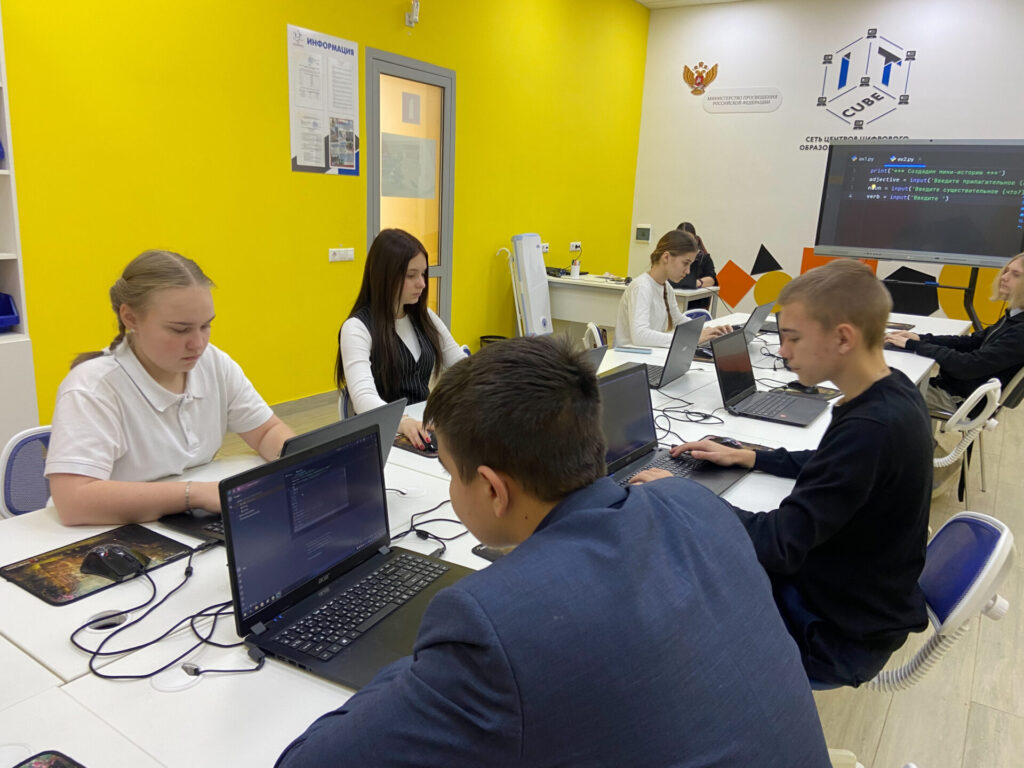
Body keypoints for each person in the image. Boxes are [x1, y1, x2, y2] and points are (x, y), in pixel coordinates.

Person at [276, 336, 830, 768]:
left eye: (449, 472)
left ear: (493, 490)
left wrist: (436, 662)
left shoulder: (494, 625)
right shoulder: (694, 505)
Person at [633, 259, 933, 686]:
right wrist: (752, 457)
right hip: (856, 601)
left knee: (669, 574)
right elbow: (832, 464)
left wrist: (685, 495)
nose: (783, 350)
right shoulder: (891, 390)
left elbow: (778, 545)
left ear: (843, 337)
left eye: (793, 337)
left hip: (831, 637)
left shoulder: (871, 428)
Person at [45, 250, 294, 526]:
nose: (198, 344)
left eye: (206, 326)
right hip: (107, 531)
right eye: (179, 330)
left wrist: (299, 469)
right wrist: (194, 494)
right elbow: (73, 501)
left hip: (179, 520)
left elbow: (266, 432)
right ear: (130, 318)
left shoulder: (213, 363)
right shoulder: (93, 387)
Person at [336, 228, 464, 449]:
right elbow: (363, 398)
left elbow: (462, 365)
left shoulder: (425, 317)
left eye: (423, 274)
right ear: (385, 276)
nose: (422, 283)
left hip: (423, 426)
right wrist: (403, 422)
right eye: (411, 275)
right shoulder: (357, 328)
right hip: (382, 436)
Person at [885, 252, 1024, 413]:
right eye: (1006, 271)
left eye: (1016, 275)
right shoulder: (1014, 315)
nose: (1004, 277)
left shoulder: (1020, 331)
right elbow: (973, 341)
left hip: (960, 400)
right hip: (954, 389)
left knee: (876, 393)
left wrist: (914, 345)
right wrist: (919, 338)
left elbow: (968, 365)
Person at [615, 229, 730, 347]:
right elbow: (640, 336)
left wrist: (708, 330)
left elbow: (678, 320)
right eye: (685, 263)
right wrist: (689, 339)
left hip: (649, 353)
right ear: (666, 257)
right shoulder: (641, 287)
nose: (688, 271)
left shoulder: (666, 287)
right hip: (629, 356)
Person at [668, 221, 718, 297]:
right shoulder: (669, 256)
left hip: (697, 300)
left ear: (695, 240)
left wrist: (697, 283)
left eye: (690, 240)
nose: (686, 244)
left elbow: (712, 279)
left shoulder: (703, 257)